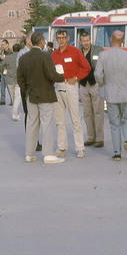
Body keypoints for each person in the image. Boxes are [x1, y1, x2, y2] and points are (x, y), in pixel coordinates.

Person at [17, 32, 64, 163]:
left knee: (32, 124)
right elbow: (51, 75)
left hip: (31, 95)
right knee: (46, 124)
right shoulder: (45, 56)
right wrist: (63, 76)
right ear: (42, 42)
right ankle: (48, 154)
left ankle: (29, 153)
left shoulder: (23, 58)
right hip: (45, 94)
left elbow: (20, 78)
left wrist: (27, 90)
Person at [95, 31, 127, 162]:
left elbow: (98, 75)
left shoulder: (103, 55)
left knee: (114, 123)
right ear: (122, 42)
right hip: (126, 94)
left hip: (111, 94)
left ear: (111, 40)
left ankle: (117, 153)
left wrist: (102, 85)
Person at [51, 29, 91, 158]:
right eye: (58, 38)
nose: (61, 40)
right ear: (56, 39)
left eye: (63, 37)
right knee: (59, 120)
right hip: (58, 87)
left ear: (68, 38)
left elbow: (87, 67)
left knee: (75, 118)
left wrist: (76, 78)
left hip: (70, 86)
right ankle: (62, 147)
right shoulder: (54, 54)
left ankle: (80, 148)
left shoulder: (75, 52)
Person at [78, 31, 105, 148]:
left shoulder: (99, 50)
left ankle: (100, 138)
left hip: (95, 85)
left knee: (98, 112)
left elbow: (103, 66)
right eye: (84, 41)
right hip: (83, 85)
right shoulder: (77, 52)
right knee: (87, 112)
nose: (86, 43)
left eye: (88, 40)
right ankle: (91, 137)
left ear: (90, 40)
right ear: (80, 41)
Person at [0, 42, 22, 121]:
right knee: (17, 97)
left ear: (13, 49)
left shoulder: (8, 57)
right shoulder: (21, 57)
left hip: (9, 79)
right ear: (20, 50)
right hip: (18, 79)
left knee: (13, 98)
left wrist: (4, 72)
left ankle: (17, 113)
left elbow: (0, 66)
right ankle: (15, 114)